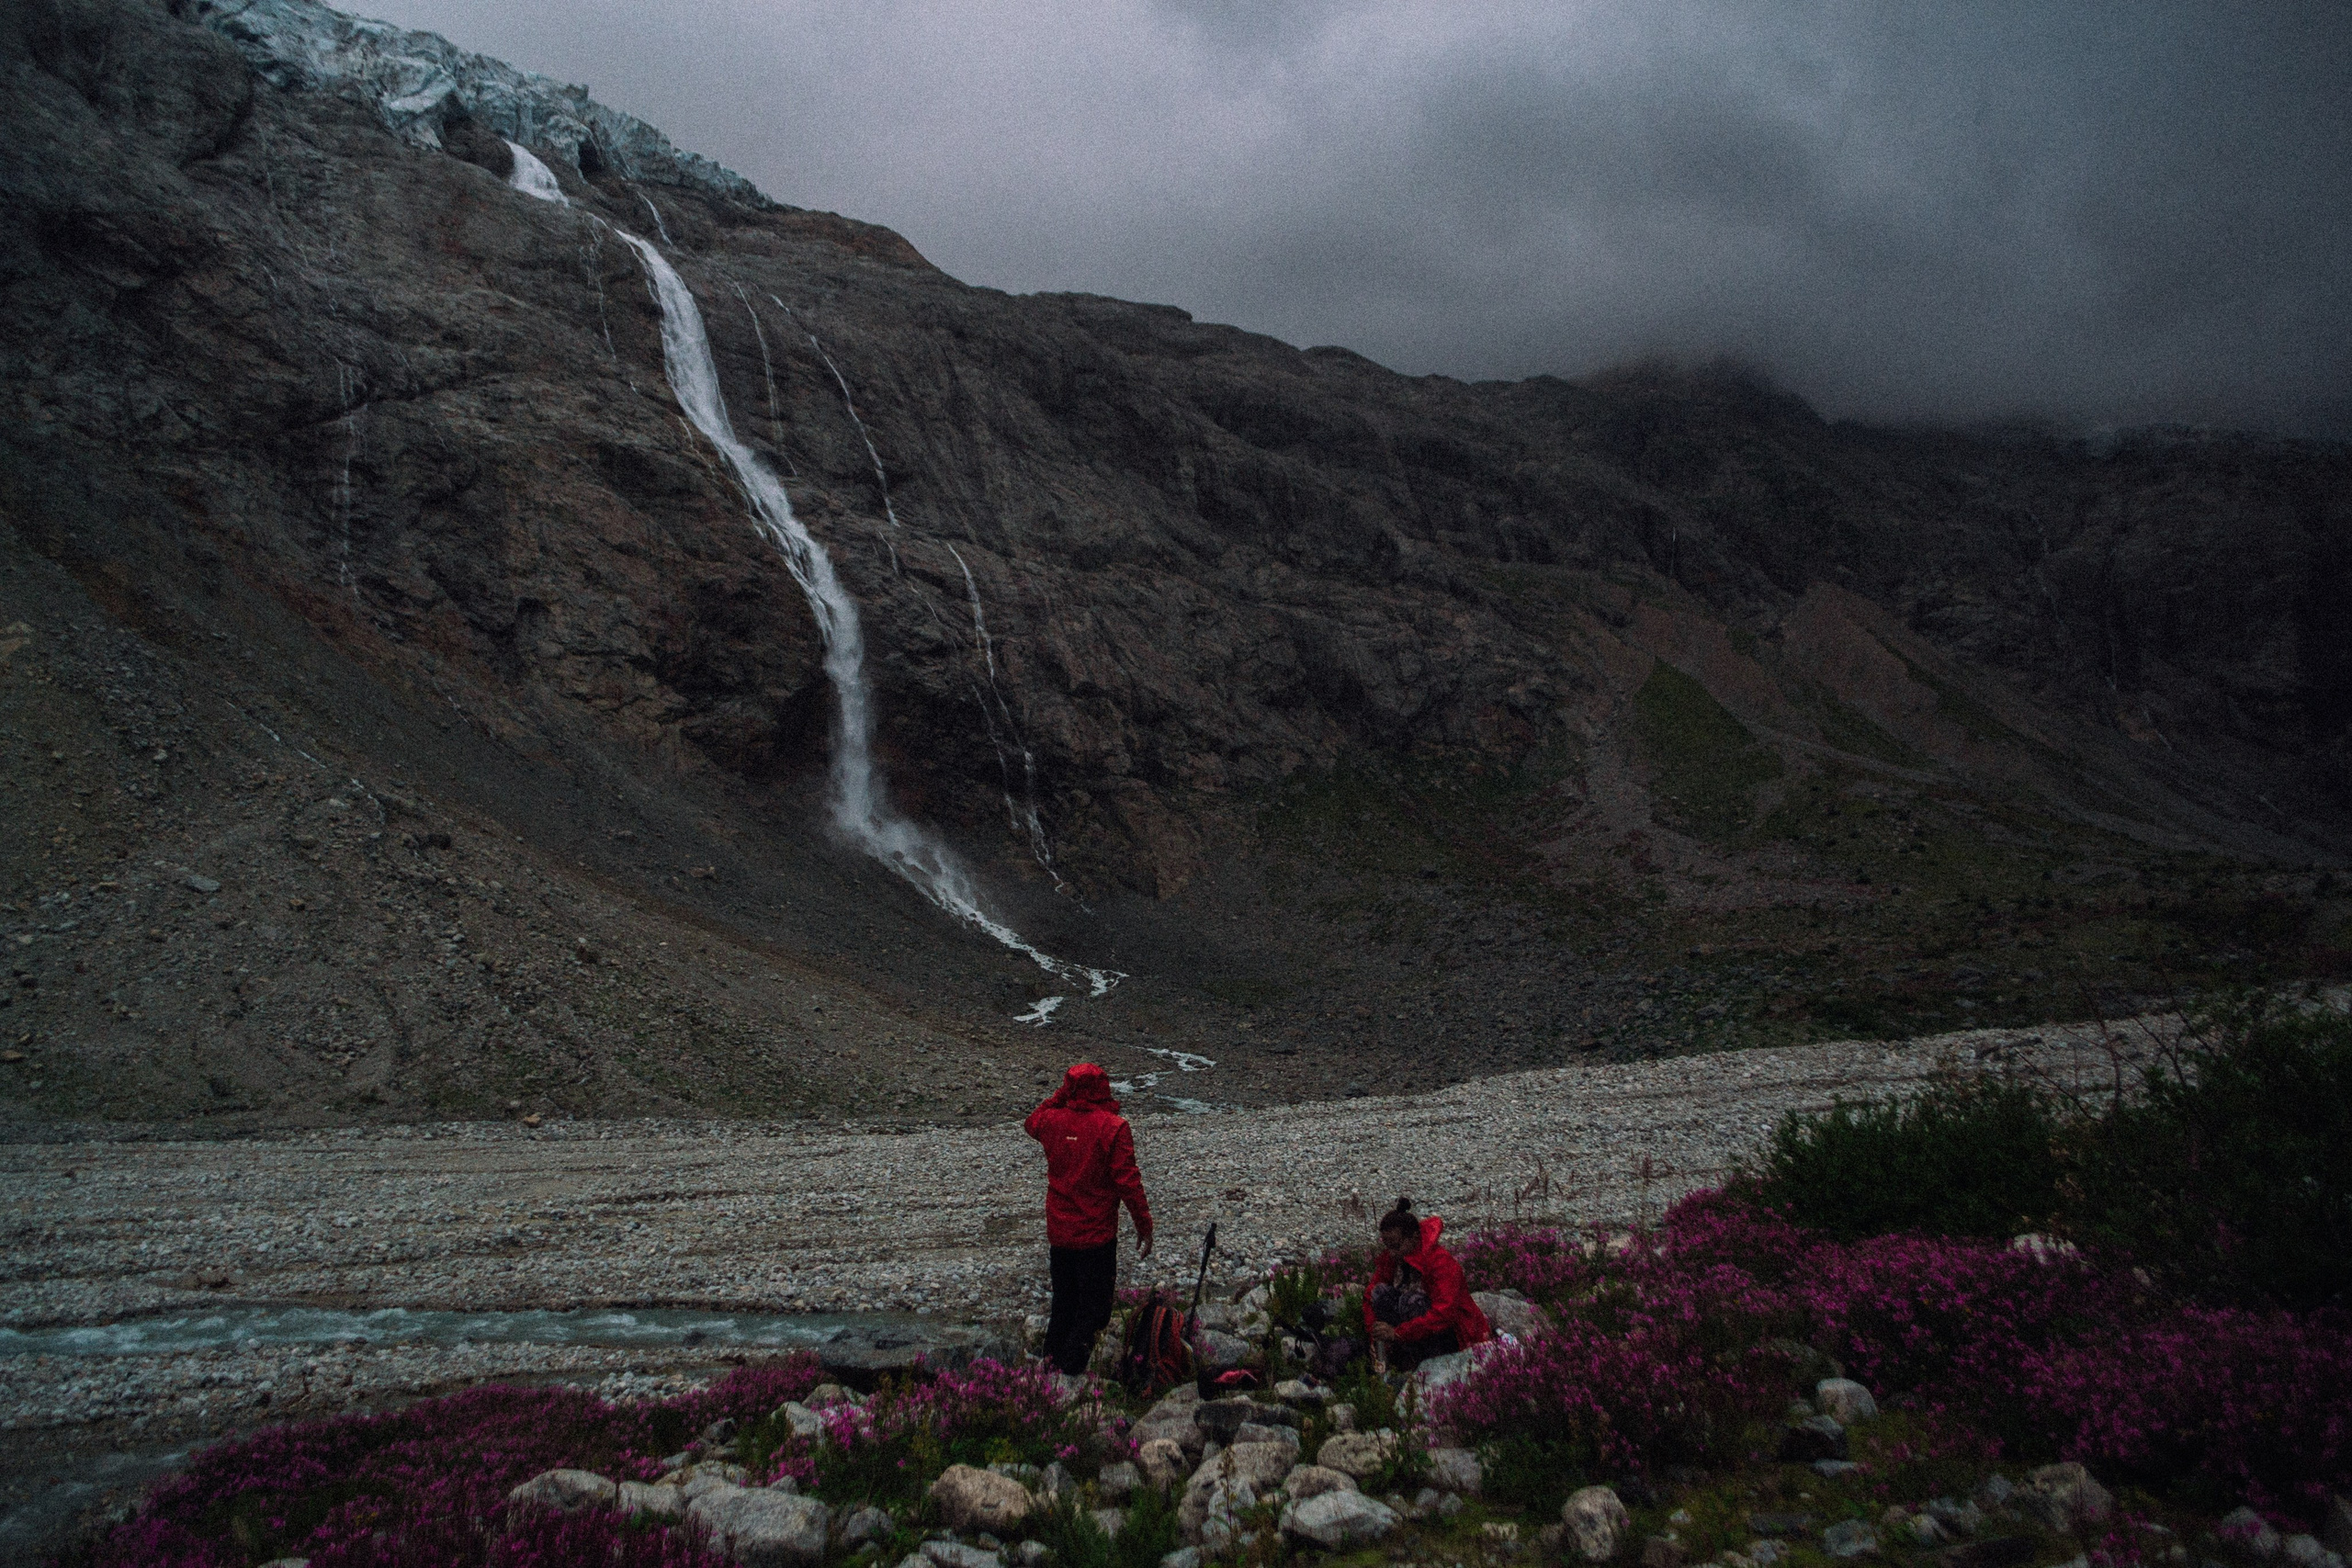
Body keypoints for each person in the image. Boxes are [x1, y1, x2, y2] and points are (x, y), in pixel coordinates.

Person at [1024, 1063, 1154, 1375]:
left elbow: (1031, 1121)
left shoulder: (1052, 1121)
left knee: (1063, 1304)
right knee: (1094, 1310)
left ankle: (1050, 1372)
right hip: (1097, 1236)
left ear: (1069, 1087)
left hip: (1060, 1233)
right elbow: (1128, 1182)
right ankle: (1071, 1374)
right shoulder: (1113, 1127)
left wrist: (1061, 1095)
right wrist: (1144, 1225)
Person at [1362, 1195, 1491, 1372]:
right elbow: (1370, 1296)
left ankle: (1423, 1359)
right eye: (1387, 1246)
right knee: (1379, 1293)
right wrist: (1375, 1337)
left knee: (1411, 1302)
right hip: (1412, 1330)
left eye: (1396, 1246)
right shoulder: (1393, 1259)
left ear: (1414, 1238)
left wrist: (1397, 1333)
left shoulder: (1440, 1262)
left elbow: (1444, 1314)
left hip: (1452, 1334)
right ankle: (1400, 1354)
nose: (1391, 1253)